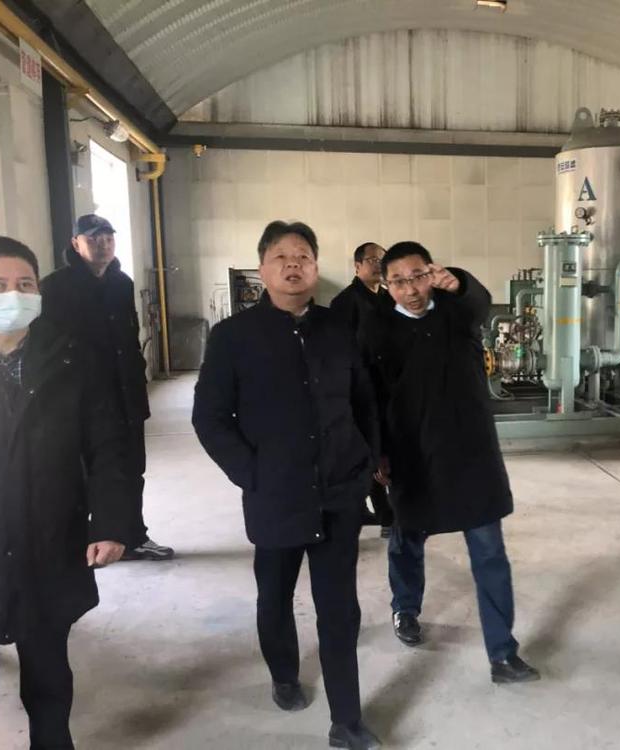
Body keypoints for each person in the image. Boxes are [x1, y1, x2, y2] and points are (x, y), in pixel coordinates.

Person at [193, 221, 382, 750]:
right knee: (275, 596)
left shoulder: (338, 330)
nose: (293, 264)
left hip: (339, 493)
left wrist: (367, 461)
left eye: (303, 256)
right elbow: (210, 418)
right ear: (262, 269)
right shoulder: (233, 336)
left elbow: (364, 401)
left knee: (338, 607)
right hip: (275, 494)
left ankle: (347, 720)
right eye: (281, 256)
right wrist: (252, 474)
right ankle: (284, 674)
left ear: (316, 268)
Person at [0, 236, 133, 749]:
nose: (13, 295)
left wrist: (111, 522)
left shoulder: (72, 357)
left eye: (25, 284)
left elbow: (108, 446)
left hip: (50, 540)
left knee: (49, 677)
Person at [360, 241, 540, 685]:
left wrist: (457, 282)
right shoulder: (376, 329)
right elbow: (369, 396)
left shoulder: (456, 312)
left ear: (431, 273)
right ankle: (405, 609)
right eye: (398, 281)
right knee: (406, 539)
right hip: (411, 454)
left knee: (489, 552)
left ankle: (503, 653)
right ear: (386, 285)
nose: (411, 290)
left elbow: (479, 302)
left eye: (418, 277)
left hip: (469, 453)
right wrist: (376, 450)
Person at [40, 214, 173, 562]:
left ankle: (132, 537)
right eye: (93, 239)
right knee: (84, 474)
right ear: (76, 244)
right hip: (82, 401)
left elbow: (129, 337)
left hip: (126, 396)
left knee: (132, 470)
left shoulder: (121, 283)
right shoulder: (55, 288)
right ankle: (83, 542)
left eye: (108, 238)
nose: (102, 245)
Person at [330, 242, 394, 538]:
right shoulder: (345, 302)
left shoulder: (387, 297)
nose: (378, 265)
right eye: (372, 260)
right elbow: (338, 351)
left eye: (382, 259)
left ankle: (374, 511)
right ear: (357, 266)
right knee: (367, 449)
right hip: (360, 388)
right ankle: (385, 516)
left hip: (386, 385)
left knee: (384, 449)